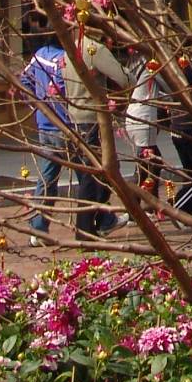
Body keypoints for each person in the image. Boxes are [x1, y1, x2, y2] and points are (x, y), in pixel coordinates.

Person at [62, 33, 129, 239]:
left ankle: (100, 220)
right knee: (96, 176)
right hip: (92, 118)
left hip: (74, 116)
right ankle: (86, 228)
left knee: (88, 175)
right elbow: (122, 78)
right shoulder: (95, 49)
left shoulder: (70, 47)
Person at [19, 31, 70, 239]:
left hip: (44, 124)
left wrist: (37, 105)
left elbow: (24, 79)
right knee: (89, 175)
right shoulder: (63, 60)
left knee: (47, 177)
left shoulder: (40, 54)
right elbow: (64, 88)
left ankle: (39, 227)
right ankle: (97, 221)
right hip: (65, 125)